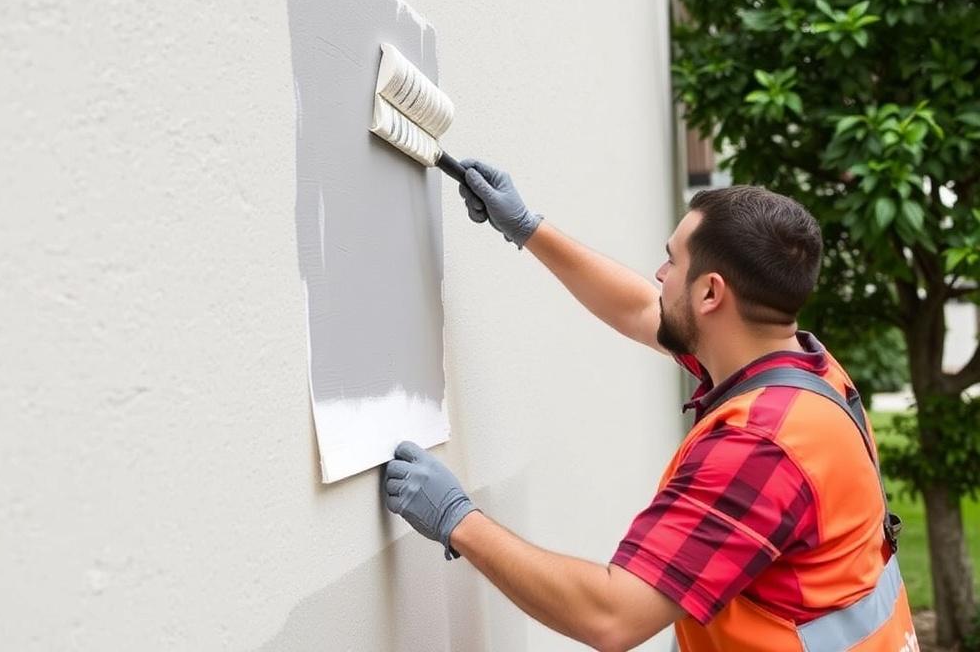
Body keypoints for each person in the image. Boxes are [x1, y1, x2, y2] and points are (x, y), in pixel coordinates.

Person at [383, 160, 918, 652]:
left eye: (671, 260)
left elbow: (613, 616)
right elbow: (644, 309)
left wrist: (459, 520)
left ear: (710, 294)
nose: (660, 276)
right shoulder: (806, 370)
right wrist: (528, 228)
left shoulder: (760, 444)